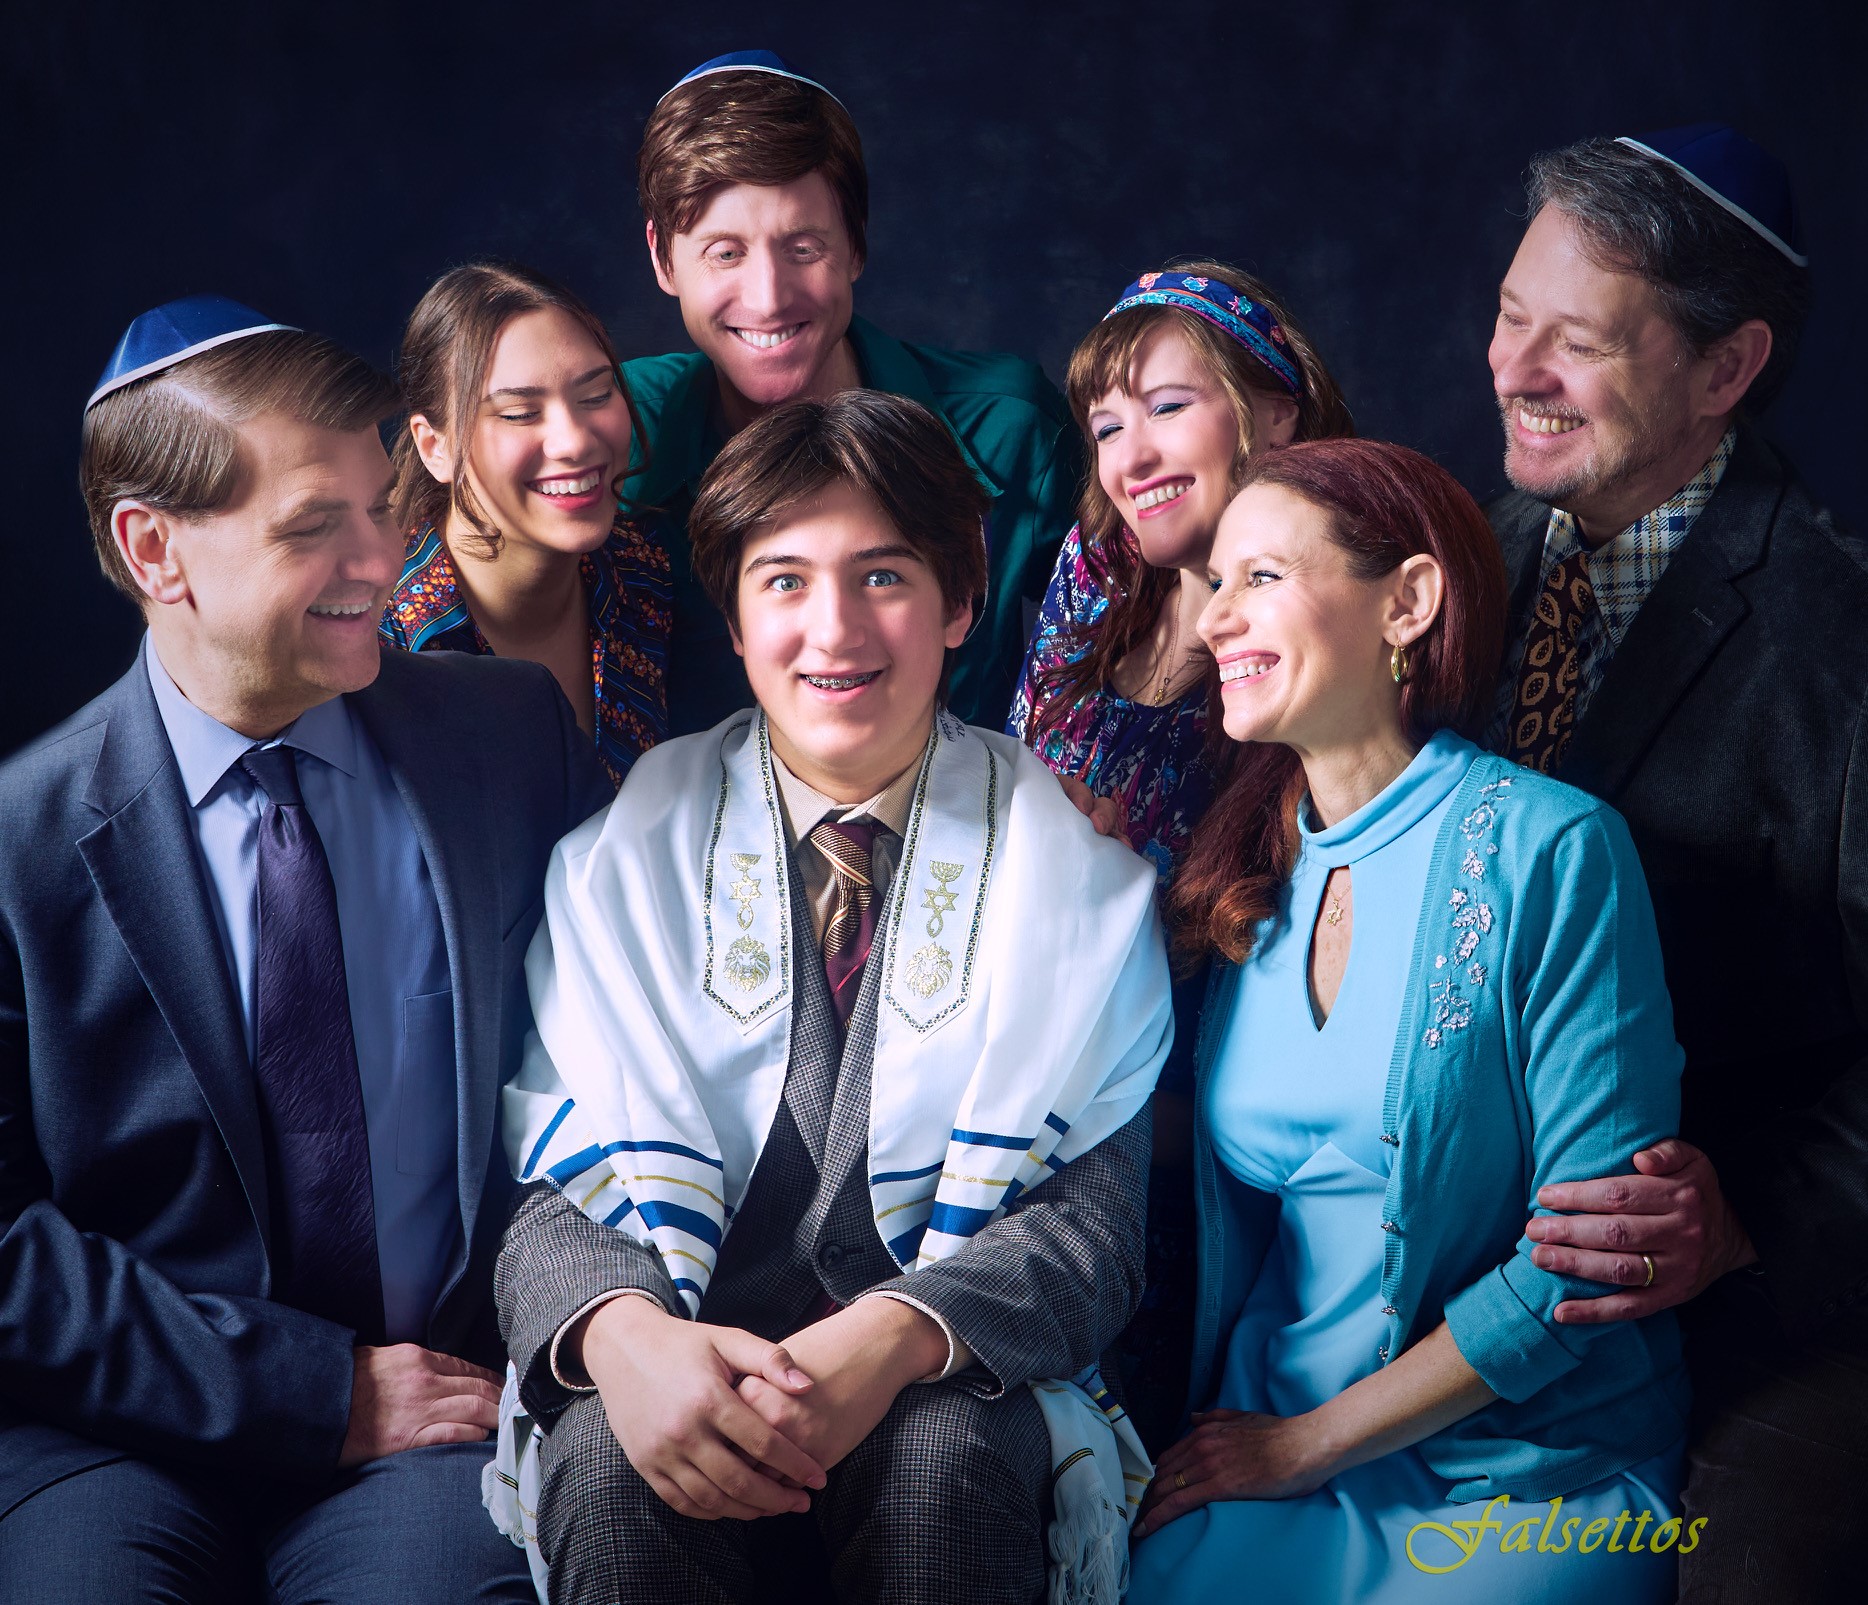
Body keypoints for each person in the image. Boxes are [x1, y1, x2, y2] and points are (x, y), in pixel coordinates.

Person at [490, 389, 1171, 1604]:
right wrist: (625, 1338)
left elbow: (1092, 1229)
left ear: (961, 603)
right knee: (608, 1460)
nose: (835, 630)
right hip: (686, 1350)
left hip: (938, 1370)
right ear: (736, 617)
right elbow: (556, 1194)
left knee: (943, 1460)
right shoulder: (618, 858)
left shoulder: (1076, 873)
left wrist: (897, 1335)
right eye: (786, 581)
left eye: (885, 578)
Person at [0, 296, 612, 1603]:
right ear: (153, 548)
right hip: (111, 1435)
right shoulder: (19, 842)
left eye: (380, 507)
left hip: (441, 1409)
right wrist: (306, 1390)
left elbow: (622, 1067)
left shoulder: (511, 740)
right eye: (309, 529)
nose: (379, 561)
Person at [1126, 438, 1690, 1603]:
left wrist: (1304, 1449)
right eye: (1213, 584)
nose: (1215, 621)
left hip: (1518, 1472)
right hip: (1252, 1437)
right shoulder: (1242, 882)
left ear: (1407, 602)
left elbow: (1579, 1267)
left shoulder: (1553, 848)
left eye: (1262, 579)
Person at [1481, 125, 1868, 1602]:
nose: (1514, 369)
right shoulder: (1464, 561)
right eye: (1514, 314)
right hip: (1475, 1276)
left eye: (1576, 342)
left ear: (1726, 368)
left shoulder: (1842, 637)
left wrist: (1744, 1219)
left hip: (1762, 1307)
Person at [1008, 261, 1353, 1449]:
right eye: (1106, 424)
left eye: (1166, 406)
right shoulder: (1092, 580)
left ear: (1275, 411)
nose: (1129, 453)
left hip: (1185, 1127)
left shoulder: (1317, 624)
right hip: (1018, 1076)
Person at [624, 49, 1081, 736]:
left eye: (803, 247)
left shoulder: (1005, 424)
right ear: (663, 258)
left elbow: (1132, 631)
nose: (769, 297)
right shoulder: (613, 428)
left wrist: (1073, 778)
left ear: (856, 246)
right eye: (726, 252)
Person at [381, 260, 672, 789]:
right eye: (519, 414)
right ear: (435, 446)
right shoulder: (378, 646)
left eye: (596, 396)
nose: (577, 441)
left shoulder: (645, 572)